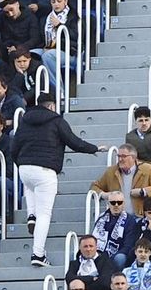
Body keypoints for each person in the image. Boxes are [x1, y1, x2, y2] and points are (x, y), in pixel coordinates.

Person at [11, 95, 108, 267]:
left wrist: (21, 162)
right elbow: (73, 141)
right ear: (51, 106)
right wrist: (93, 148)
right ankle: (38, 254)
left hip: (24, 168)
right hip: (46, 170)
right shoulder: (56, 120)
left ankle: (30, 214)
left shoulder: (24, 120)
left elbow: (14, 146)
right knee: (44, 215)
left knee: (30, 186)